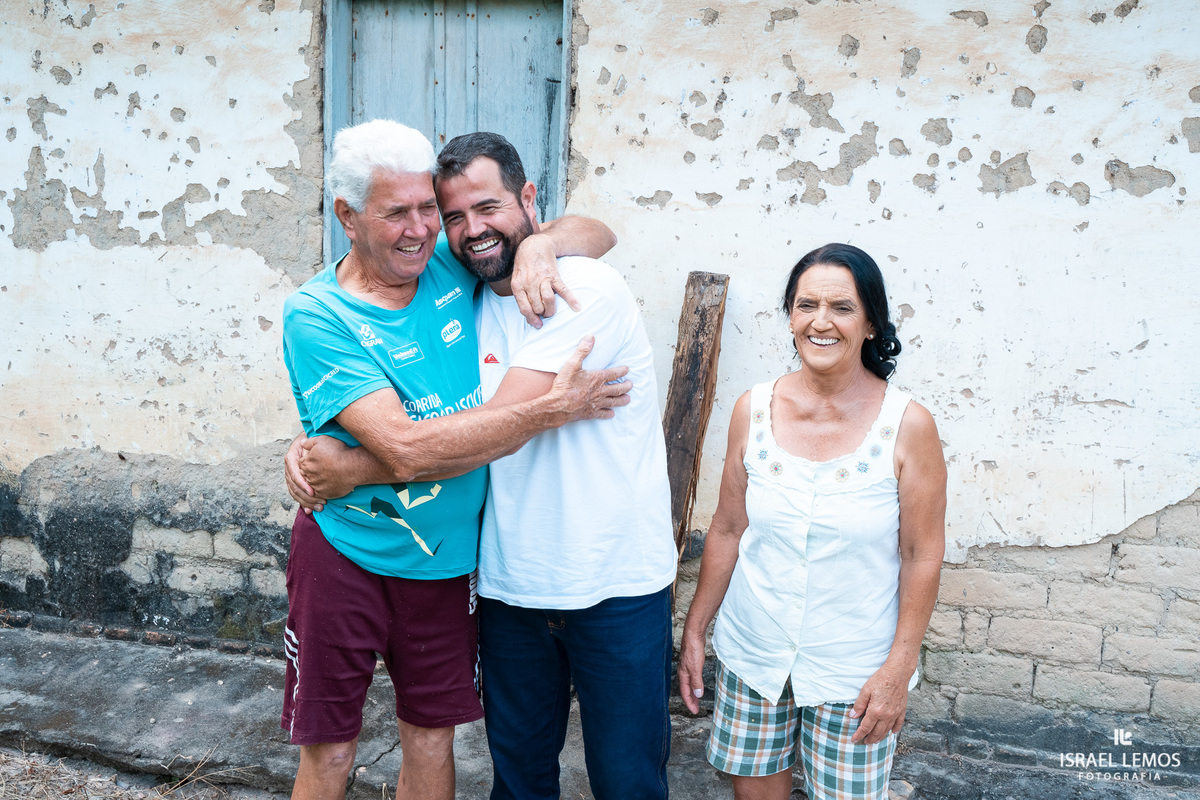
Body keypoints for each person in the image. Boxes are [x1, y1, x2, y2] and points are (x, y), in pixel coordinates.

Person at [293, 132, 677, 800]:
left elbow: (597, 232)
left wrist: (351, 469)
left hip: (611, 584)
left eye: (489, 209)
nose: (469, 231)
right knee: (518, 781)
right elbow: (420, 434)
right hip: (507, 587)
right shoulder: (455, 281)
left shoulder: (583, 289)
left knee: (628, 782)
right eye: (454, 217)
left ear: (528, 199)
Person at [677, 243, 946, 800]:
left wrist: (898, 671)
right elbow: (728, 529)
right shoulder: (752, 410)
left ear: (871, 322)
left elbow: (922, 555)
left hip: (856, 672)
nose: (821, 322)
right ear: (791, 317)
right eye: (806, 305)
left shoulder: (908, 425)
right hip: (754, 655)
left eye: (842, 308)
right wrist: (696, 630)